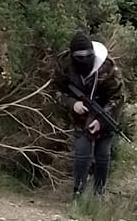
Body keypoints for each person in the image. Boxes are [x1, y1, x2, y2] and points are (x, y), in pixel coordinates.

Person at [52, 29, 126, 199]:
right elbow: (55, 89)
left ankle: (98, 194)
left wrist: (101, 120)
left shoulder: (108, 67)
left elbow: (118, 97)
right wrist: (72, 103)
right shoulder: (64, 64)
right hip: (81, 114)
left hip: (106, 113)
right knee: (82, 152)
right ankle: (78, 194)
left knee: (102, 154)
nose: (84, 60)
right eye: (79, 57)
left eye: (87, 56)